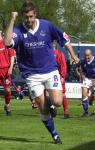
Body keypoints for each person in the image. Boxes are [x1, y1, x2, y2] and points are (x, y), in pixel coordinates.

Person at [4, 1, 79, 144]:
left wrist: (73, 55)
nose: (29, 20)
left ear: (35, 14)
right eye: (26, 17)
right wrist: (12, 20)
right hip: (32, 75)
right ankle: (55, 134)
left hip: (50, 70)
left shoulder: (47, 25)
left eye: (31, 16)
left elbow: (64, 38)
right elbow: (7, 43)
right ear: (22, 17)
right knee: (42, 109)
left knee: (57, 102)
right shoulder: (18, 30)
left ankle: (51, 103)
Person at [80, 49, 95, 116]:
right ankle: (86, 111)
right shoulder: (83, 61)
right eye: (85, 55)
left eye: (88, 55)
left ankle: (91, 100)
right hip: (87, 79)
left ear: (91, 54)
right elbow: (82, 70)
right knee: (84, 91)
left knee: (93, 96)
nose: (86, 57)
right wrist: (82, 75)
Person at [0, 26, 15, 115]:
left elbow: (12, 56)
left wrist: (10, 68)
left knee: (8, 90)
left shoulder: (6, 42)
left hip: (6, 70)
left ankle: (7, 104)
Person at [53, 41, 69, 119]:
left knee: (62, 94)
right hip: (49, 76)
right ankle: (52, 109)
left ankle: (66, 111)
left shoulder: (59, 54)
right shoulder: (46, 53)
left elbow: (63, 65)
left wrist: (62, 76)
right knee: (48, 93)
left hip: (57, 77)